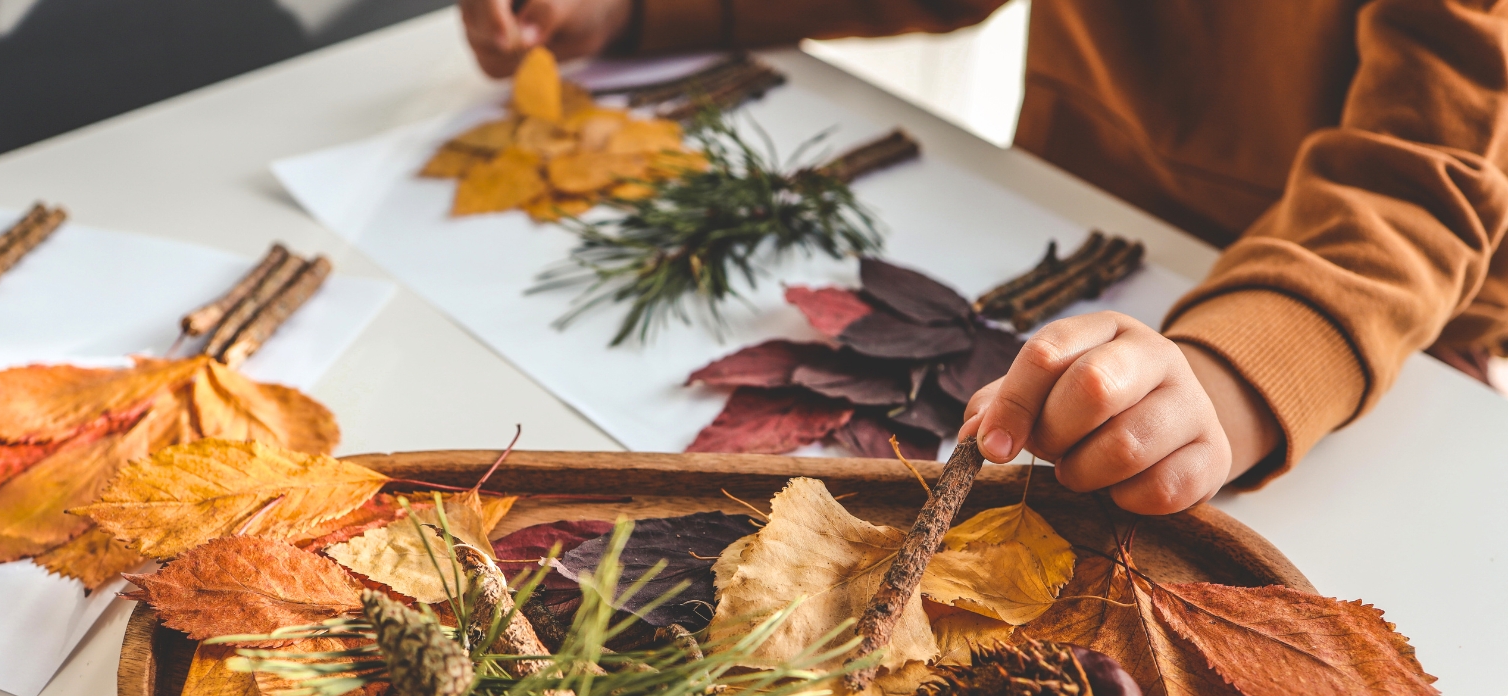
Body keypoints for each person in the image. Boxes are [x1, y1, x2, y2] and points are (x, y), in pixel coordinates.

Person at [459, 0, 1508, 515]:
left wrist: (1242, 374)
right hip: (1071, 215)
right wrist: (648, 8)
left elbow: (1421, 177)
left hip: (1370, 318)